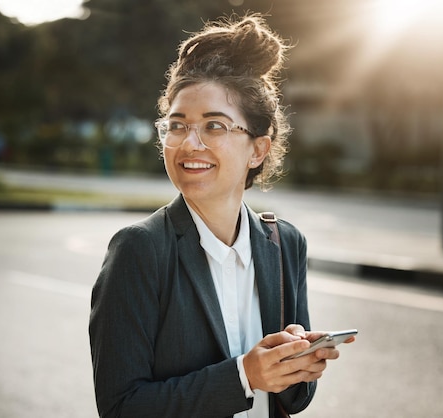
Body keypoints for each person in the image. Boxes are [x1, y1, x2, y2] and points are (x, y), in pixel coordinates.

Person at [89, 14, 354, 418]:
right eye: (176, 126)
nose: (188, 144)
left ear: (258, 149)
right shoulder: (140, 249)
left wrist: (298, 364)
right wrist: (244, 376)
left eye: (214, 126)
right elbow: (121, 409)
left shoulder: (284, 243)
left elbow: (295, 401)